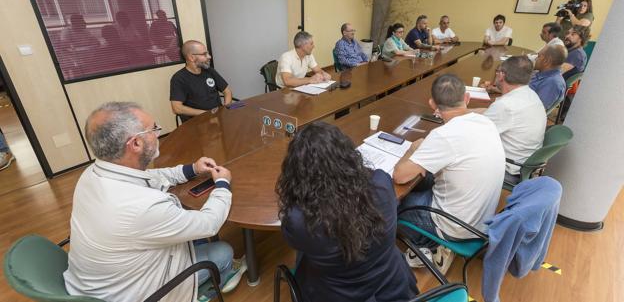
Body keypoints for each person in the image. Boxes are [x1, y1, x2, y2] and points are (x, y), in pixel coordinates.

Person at [64, 102, 246, 302]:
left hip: (95, 283)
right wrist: (222, 184)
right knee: (224, 251)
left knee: (194, 238)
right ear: (135, 144)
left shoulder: (92, 173)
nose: (158, 133)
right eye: (153, 129)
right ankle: (202, 292)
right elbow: (209, 224)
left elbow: (150, 176)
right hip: (131, 295)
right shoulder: (143, 207)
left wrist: (191, 169)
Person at [277, 122, 418, 302]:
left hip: (336, 295)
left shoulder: (298, 220)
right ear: (349, 156)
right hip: (393, 286)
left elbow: (296, 243)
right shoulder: (381, 183)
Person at [393, 74, 505, 273]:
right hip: (482, 219)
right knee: (424, 179)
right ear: (467, 98)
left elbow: (399, 176)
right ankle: (433, 243)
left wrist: (412, 150)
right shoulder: (485, 122)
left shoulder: (444, 136)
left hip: (458, 226)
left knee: (396, 206)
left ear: (431, 103)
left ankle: (429, 247)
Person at [476, 56, 546, 179]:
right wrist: (463, 111)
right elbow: (491, 113)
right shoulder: (529, 94)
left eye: (497, 71)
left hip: (509, 166)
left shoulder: (506, 106)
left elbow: (475, 133)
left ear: (502, 75)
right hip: (525, 161)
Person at [170, 40, 233, 122]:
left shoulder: (209, 71)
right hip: (197, 123)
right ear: (191, 57)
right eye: (204, 54)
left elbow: (227, 91)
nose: (209, 57)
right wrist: (207, 114)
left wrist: (226, 107)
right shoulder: (179, 78)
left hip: (218, 118)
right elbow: (176, 108)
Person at [529, 42, 568, 111]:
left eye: (538, 56)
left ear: (546, 61)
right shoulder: (542, 73)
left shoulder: (552, 83)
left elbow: (536, 110)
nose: (535, 59)